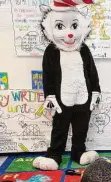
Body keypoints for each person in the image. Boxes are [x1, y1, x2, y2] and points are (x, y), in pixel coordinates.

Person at [32, 0, 101, 171]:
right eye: (61, 27)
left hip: (83, 98)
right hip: (62, 100)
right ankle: (54, 155)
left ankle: (79, 152)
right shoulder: (51, 51)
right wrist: (49, 96)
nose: (69, 34)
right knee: (59, 129)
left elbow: (92, 72)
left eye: (74, 26)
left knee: (81, 129)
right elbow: (47, 76)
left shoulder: (83, 49)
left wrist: (96, 91)